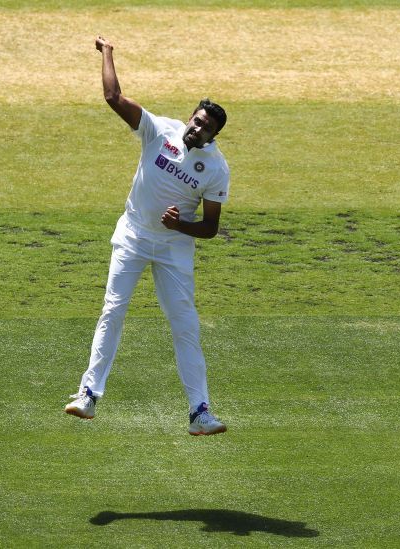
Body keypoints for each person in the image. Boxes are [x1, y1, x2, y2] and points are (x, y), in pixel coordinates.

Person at [64, 36, 230, 436]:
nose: (197, 127)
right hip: (134, 235)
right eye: (196, 119)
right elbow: (112, 96)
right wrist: (108, 53)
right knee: (113, 309)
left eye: (206, 127)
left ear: (213, 136)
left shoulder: (217, 169)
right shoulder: (159, 131)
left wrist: (180, 226)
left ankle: (200, 412)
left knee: (184, 325)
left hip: (174, 248)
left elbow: (209, 228)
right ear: (189, 117)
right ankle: (88, 394)